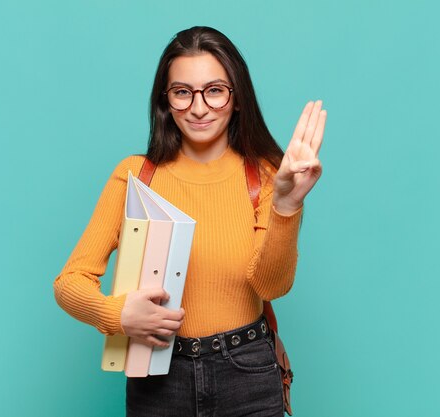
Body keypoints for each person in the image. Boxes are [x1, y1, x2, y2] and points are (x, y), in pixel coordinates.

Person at [53, 26, 326, 417]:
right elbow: (69, 282)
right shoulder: (135, 177)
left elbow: (272, 285)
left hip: (246, 371)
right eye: (182, 92)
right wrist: (118, 315)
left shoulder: (267, 176)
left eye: (214, 90)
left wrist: (285, 205)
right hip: (160, 376)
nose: (198, 108)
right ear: (166, 101)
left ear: (237, 98)